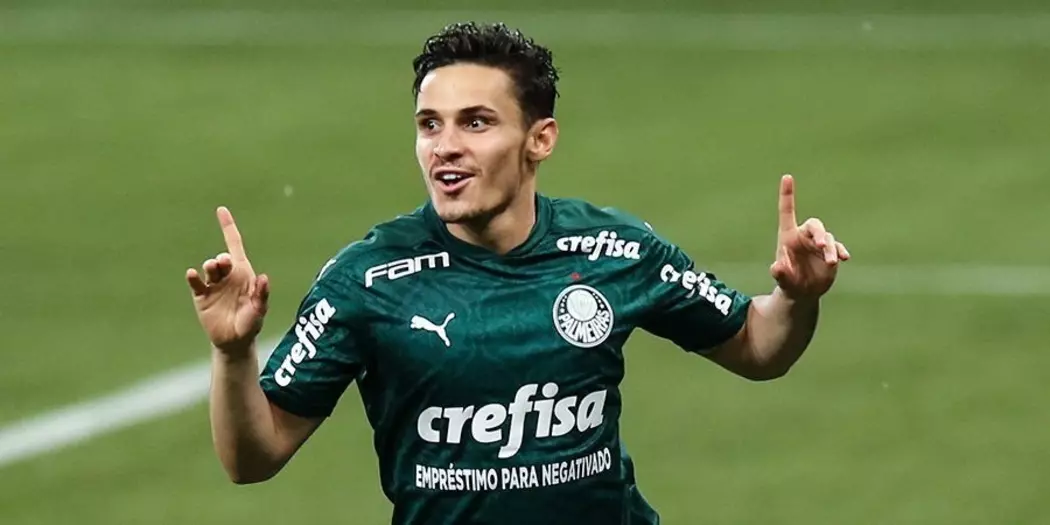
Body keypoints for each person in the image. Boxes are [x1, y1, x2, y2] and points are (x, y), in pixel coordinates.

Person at [185, 21, 850, 525]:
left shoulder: (613, 248)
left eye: (476, 123)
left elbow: (757, 347)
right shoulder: (368, 279)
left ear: (540, 139)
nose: (445, 147)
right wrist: (233, 353)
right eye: (429, 125)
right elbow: (252, 458)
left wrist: (796, 298)